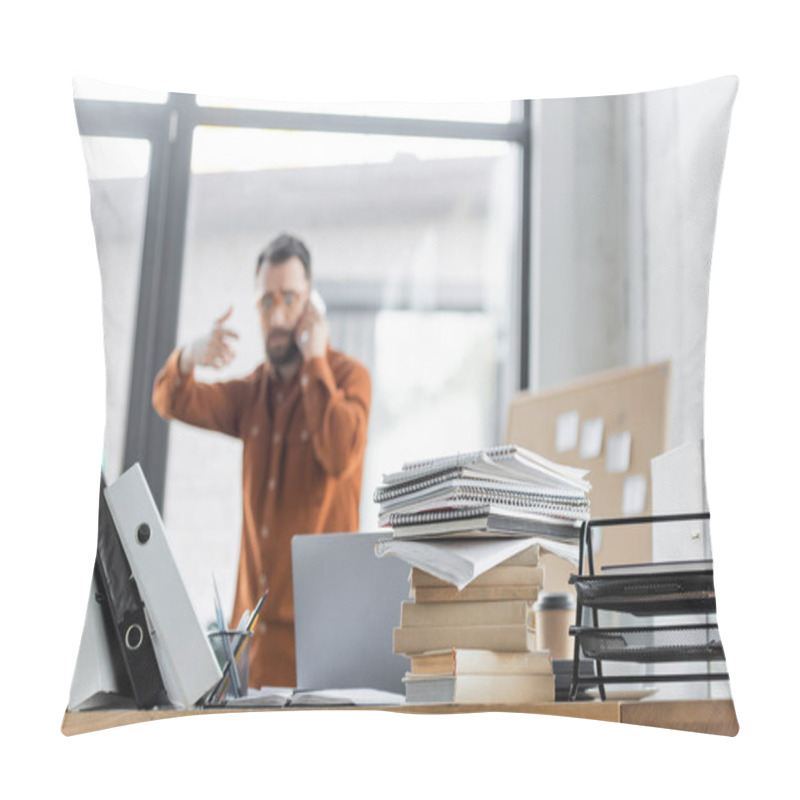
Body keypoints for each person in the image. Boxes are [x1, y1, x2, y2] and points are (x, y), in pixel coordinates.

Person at [152, 234, 371, 688]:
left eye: (289, 298)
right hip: (251, 645)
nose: (275, 314)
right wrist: (190, 355)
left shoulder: (349, 379)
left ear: (311, 304)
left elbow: (336, 453)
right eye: (265, 300)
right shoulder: (252, 393)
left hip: (320, 647)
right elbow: (170, 399)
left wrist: (314, 360)